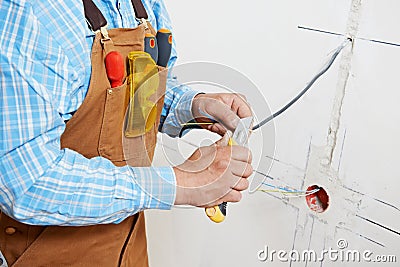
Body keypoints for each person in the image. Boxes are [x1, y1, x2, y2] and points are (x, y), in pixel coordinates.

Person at [0, 0, 253, 266]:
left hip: (128, 249)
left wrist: (192, 106)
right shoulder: (32, 11)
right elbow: (25, 183)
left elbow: (141, 93)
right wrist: (179, 183)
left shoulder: (145, 4)